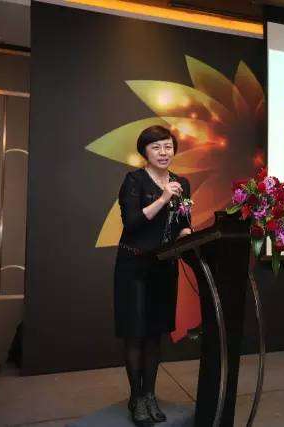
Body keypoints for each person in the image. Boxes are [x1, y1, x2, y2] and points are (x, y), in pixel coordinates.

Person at [113, 125, 192, 426]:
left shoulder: (181, 183)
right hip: (134, 266)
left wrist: (188, 234)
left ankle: (149, 394)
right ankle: (136, 397)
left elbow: (183, 222)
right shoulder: (134, 180)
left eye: (168, 146)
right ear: (144, 151)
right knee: (136, 333)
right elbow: (132, 223)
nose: (163, 152)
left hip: (164, 266)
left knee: (155, 333)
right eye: (156, 147)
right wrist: (162, 198)